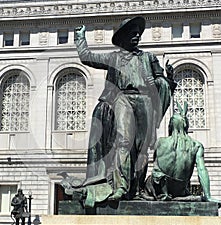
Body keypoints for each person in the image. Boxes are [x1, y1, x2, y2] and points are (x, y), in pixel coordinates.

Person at [75, 16, 177, 201]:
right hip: (121, 98)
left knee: (142, 148)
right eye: (132, 32)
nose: (137, 35)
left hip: (145, 100)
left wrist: (165, 80)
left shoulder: (148, 57)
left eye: (138, 33)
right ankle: (121, 186)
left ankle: (136, 189)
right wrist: (80, 37)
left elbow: (161, 79)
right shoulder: (113, 57)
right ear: (123, 37)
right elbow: (86, 57)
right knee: (124, 141)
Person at [144, 102, 221, 207]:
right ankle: (188, 197)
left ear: (170, 126)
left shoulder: (160, 142)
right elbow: (202, 170)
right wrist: (208, 195)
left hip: (160, 188)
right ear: (186, 126)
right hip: (180, 189)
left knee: (149, 181)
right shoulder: (196, 145)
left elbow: (156, 168)